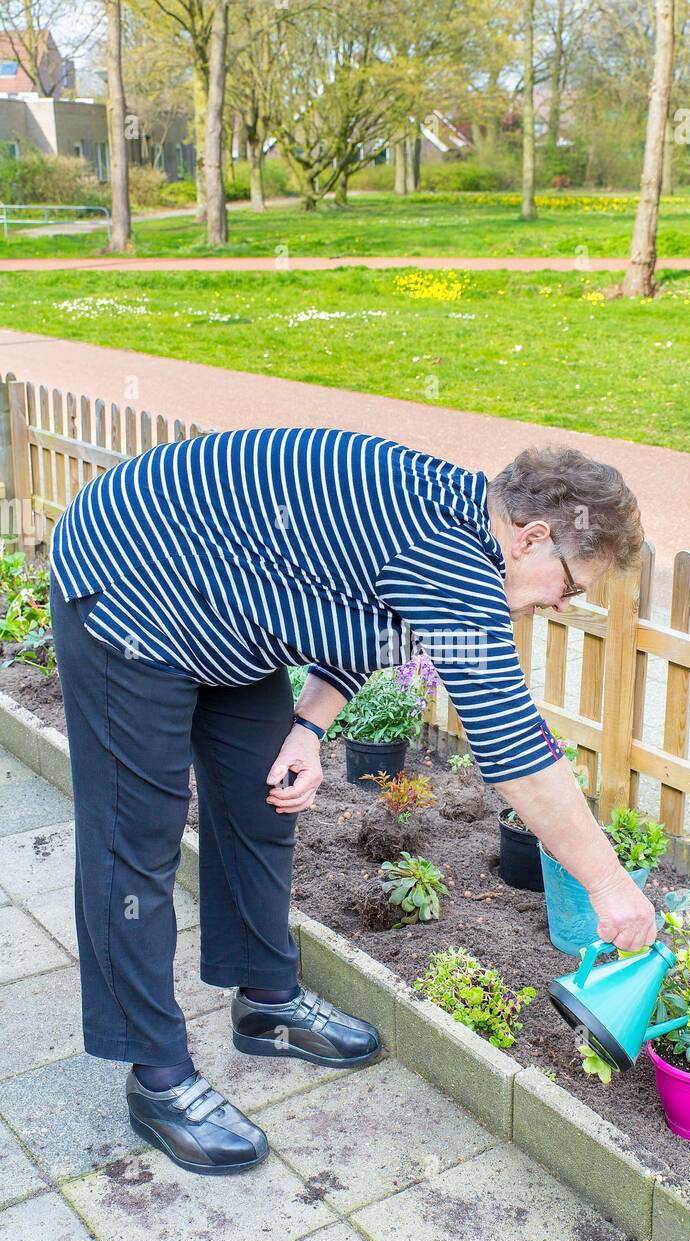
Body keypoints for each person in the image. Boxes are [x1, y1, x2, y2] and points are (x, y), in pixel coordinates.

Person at [48, 426, 657, 1176]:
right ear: (532, 538)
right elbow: (516, 752)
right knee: (134, 842)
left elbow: (360, 605)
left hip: (226, 597)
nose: (563, 605)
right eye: (570, 587)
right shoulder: (456, 562)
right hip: (130, 584)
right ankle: (157, 1074)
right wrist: (608, 884)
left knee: (263, 797)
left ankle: (267, 1001)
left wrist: (308, 726)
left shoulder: (460, 525)